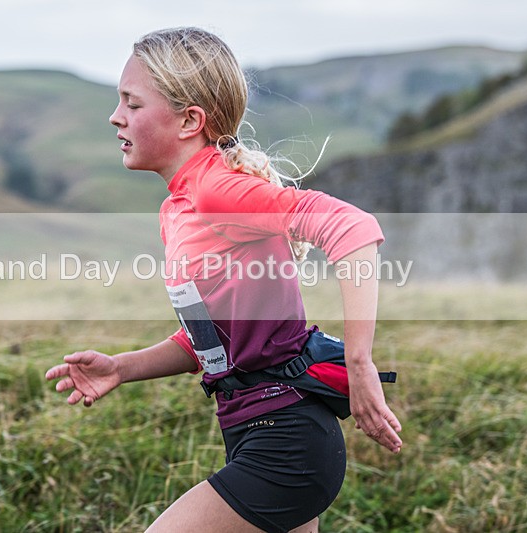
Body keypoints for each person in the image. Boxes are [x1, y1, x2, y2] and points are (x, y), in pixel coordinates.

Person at [45, 27, 402, 533]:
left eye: (132, 103)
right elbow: (211, 341)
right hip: (259, 433)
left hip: (286, 443)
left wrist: (358, 362)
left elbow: (353, 227)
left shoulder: (217, 192)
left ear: (190, 120)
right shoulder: (179, 208)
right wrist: (122, 368)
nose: (116, 116)